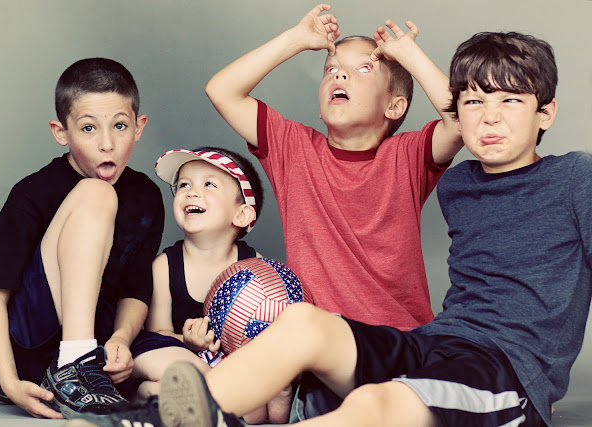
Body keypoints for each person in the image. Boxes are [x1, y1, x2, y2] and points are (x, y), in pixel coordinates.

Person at [65, 29, 583, 427]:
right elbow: (459, 120)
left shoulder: (572, 177)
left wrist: (407, 55)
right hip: (427, 342)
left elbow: (454, 121)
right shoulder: (461, 184)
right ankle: (161, 420)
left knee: (377, 405)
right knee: (302, 323)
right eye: (476, 102)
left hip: (499, 366)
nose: (488, 117)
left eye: (510, 101)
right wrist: (300, 38)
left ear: (546, 113)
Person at [204, 4, 462, 329]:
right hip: (322, 341)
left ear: (394, 106)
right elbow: (222, 91)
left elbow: (461, 122)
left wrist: (410, 56)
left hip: (401, 337)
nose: (339, 74)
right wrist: (296, 39)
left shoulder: (407, 157)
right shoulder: (293, 148)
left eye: (364, 68)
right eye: (331, 69)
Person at [0, 57, 165, 419]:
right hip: (35, 342)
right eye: (89, 128)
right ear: (61, 132)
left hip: (101, 347)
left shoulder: (146, 196)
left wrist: (121, 339)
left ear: (139, 127)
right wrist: (10, 381)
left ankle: (96, 376)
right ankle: (73, 364)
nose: (107, 143)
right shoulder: (32, 192)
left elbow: (136, 290)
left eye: (119, 126)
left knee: (181, 363)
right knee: (97, 193)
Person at [125, 147, 288, 423]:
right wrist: (188, 342)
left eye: (209, 184)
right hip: (180, 359)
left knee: (261, 394)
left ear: (241, 215)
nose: (192, 192)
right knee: (153, 368)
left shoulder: (255, 266)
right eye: (184, 185)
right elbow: (158, 333)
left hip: (231, 365)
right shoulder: (164, 266)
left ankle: (266, 400)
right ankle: (211, 402)